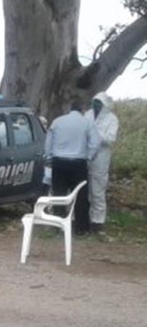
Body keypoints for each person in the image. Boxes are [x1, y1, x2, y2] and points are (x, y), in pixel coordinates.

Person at [44, 95, 101, 234]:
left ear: (69, 108)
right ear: (82, 109)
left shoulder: (58, 121)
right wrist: (89, 157)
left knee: (59, 194)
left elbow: (48, 141)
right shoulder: (87, 123)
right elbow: (96, 142)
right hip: (78, 163)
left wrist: (49, 157)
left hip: (59, 162)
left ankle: (58, 225)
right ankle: (81, 228)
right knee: (81, 196)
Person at [84, 92, 119, 233]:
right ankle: (82, 219)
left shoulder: (112, 119)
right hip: (85, 155)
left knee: (97, 191)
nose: (96, 105)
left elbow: (111, 139)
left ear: (105, 105)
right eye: (95, 102)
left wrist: (95, 133)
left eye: (99, 103)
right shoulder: (87, 115)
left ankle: (97, 222)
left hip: (101, 159)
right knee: (82, 189)